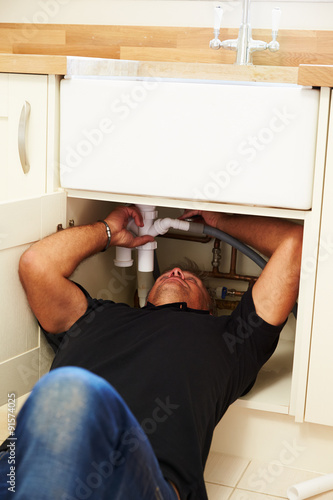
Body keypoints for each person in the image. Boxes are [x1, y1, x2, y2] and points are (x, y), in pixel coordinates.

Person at [0, 205, 303, 500]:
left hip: (139, 477)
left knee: (66, 392)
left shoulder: (233, 338)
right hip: (17, 468)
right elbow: (35, 265)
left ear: (210, 310)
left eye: (191, 279)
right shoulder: (96, 315)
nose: (175, 270)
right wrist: (108, 231)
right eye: (172, 271)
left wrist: (220, 220)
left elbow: (294, 244)